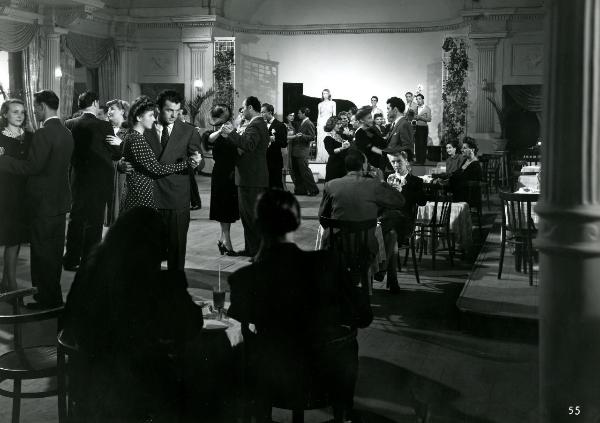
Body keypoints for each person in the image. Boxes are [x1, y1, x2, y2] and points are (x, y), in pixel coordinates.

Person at [228, 189, 371, 423]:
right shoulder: (328, 264)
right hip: (325, 377)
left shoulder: (245, 278)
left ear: (258, 224)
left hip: (273, 380)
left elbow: (238, 318)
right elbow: (364, 317)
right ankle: (344, 413)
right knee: (348, 345)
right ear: (297, 221)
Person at [63, 206, 205, 422]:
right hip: (126, 391)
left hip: (85, 381)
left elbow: (68, 320)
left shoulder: (92, 264)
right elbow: (190, 325)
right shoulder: (143, 280)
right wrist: (176, 288)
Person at [0, 90, 73, 309]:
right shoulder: (66, 132)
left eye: (33, 108)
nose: (30, 112)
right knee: (53, 253)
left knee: (42, 255)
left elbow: (33, 167)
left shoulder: (42, 133)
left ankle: (45, 300)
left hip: (42, 203)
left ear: (41, 107)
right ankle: (53, 297)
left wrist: (3, 160)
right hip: (59, 202)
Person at [143, 89, 203, 270]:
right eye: (170, 110)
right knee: (150, 249)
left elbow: (198, 163)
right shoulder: (145, 128)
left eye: (178, 111)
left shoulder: (189, 131)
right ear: (158, 109)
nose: (174, 115)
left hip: (177, 197)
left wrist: (195, 163)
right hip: (150, 196)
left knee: (177, 250)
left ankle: (175, 288)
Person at [63, 91, 119, 271]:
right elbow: (116, 154)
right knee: (94, 221)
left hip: (78, 177)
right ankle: (89, 261)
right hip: (99, 179)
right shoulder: (104, 126)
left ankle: (71, 259)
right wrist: (119, 144)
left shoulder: (69, 124)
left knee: (76, 218)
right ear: (95, 103)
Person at [319, 150, 405, 258]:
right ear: (363, 165)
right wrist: (382, 181)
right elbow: (399, 201)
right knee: (391, 232)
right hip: (364, 249)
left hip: (336, 246)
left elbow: (322, 217)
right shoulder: (374, 184)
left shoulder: (330, 185)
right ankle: (380, 272)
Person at [121, 96, 200, 212]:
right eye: (150, 116)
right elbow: (156, 169)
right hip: (140, 193)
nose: (154, 119)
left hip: (144, 191)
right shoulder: (136, 138)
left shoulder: (133, 136)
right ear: (138, 117)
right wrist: (187, 163)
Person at [219, 96, 269, 258]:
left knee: (250, 216)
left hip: (250, 178)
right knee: (249, 216)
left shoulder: (255, 125)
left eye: (243, 107)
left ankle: (257, 252)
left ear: (250, 108)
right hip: (253, 176)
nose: (242, 110)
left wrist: (232, 133)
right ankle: (251, 250)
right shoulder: (258, 124)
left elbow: (248, 145)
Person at [380, 151, 426, 292]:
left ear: (406, 161)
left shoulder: (416, 181)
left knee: (390, 231)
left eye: (398, 161)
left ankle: (381, 271)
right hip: (389, 222)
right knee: (392, 236)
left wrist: (403, 190)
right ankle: (392, 280)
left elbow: (422, 202)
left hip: (405, 222)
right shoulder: (389, 179)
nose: (395, 165)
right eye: (393, 162)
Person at [0, 99, 33, 293]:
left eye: (21, 112)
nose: (19, 115)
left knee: (17, 237)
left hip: (24, 193)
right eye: (14, 112)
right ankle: (10, 284)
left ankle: (7, 280)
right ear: (5, 115)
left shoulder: (30, 137)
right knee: (10, 236)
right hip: (4, 193)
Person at [203, 104, 239, 256]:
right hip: (220, 175)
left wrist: (232, 132)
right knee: (223, 209)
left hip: (232, 174)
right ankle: (227, 242)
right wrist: (220, 131)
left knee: (229, 210)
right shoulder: (212, 133)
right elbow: (208, 141)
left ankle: (223, 239)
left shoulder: (232, 132)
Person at [105, 98, 130, 226]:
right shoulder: (105, 128)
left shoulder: (130, 130)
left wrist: (121, 144)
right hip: (107, 174)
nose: (109, 112)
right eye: (108, 109)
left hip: (122, 175)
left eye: (112, 109)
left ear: (122, 111)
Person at [289, 107, 319, 196]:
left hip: (302, 151)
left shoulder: (309, 123)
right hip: (297, 151)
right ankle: (300, 190)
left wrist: (302, 136)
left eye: (299, 113)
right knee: (297, 171)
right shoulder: (303, 122)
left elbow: (312, 137)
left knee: (305, 171)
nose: (298, 115)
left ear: (304, 114)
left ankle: (314, 190)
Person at [261, 103, 288, 189]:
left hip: (275, 160)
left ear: (270, 112)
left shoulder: (280, 125)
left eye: (263, 112)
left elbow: (284, 143)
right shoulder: (261, 125)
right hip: (263, 159)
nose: (262, 114)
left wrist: (274, 139)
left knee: (276, 184)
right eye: (261, 112)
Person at [352, 106, 387, 171]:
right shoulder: (359, 133)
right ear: (361, 120)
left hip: (378, 163)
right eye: (369, 118)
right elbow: (370, 147)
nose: (372, 120)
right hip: (368, 166)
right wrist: (386, 154)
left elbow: (381, 141)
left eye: (371, 117)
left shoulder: (371, 130)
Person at [450, 137, 483, 202]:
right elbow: (458, 173)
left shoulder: (475, 165)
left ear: (472, 150)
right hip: (461, 192)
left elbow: (463, 178)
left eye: (464, 148)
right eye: (462, 148)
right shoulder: (466, 160)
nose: (462, 150)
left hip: (468, 197)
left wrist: (451, 177)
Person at [384, 96, 414, 162]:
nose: (387, 111)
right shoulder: (395, 124)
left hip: (399, 167)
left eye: (388, 109)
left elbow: (407, 148)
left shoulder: (404, 124)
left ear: (395, 110)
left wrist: (386, 151)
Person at [323, 116, 351, 181]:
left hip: (342, 164)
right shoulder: (328, 138)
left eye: (340, 123)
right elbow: (331, 152)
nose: (340, 125)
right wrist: (342, 148)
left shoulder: (338, 135)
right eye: (338, 124)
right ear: (332, 124)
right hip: (334, 165)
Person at [316, 88, 336, 163]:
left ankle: (328, 157)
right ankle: (320, 157)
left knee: (328, 138)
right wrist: (318, 125)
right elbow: (318, 115)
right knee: (321, 140)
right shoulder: (320, 104)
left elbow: (334, 115)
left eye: (326, 93)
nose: (325, 95)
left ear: (329, 94)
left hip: (329, 122)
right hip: (321, 123)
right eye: (323, 93)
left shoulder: (333, 103)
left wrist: (333, 124)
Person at [414, 93, 432, 164]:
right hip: (417, 127)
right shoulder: (416, 108)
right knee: (417, 144)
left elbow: (429, 119)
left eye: (419, 99)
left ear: (422, 99)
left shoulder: (427, 108)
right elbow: (415, 117)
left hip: (423, 128)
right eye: (417, 99)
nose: (418, 100)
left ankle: (422, 161)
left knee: (422, 144)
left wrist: (420, 117)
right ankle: (417, 160)